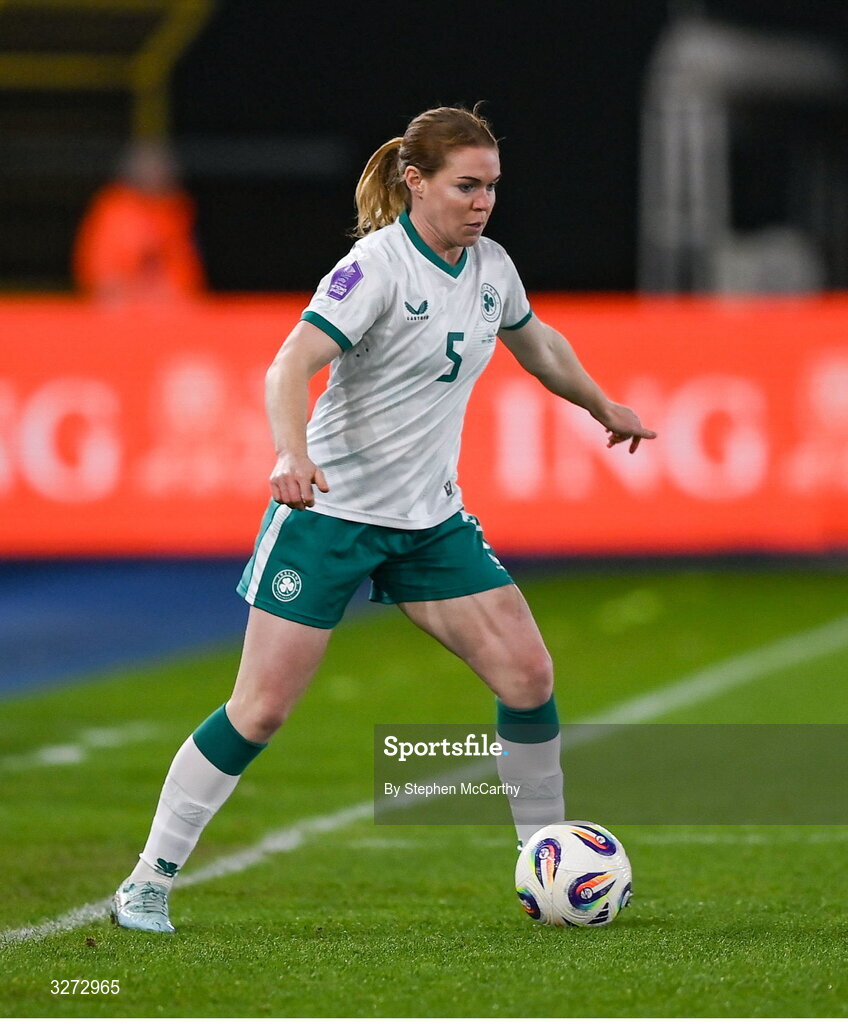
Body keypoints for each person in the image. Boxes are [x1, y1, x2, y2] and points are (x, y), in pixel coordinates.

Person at [110, 105, 656, 933]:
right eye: (466, 186)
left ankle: (549, 861)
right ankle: (147, 879)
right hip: (330, 516)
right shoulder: (377, 267)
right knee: (259, 711)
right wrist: (291, 457)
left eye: (493, 188)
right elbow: (290, 361)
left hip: (429, 522)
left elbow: (535, 340)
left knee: (529, 676)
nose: (482, 203)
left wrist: (602, 403)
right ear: (416, 182)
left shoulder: (492, 267)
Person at [73, 139, 206, 303]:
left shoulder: (176, 211)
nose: (158, 174)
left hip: (169, 309)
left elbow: (186, 276)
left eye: (163, 168)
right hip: (122, 307)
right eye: (151, 168)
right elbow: (102, 276)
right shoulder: (116, 209)